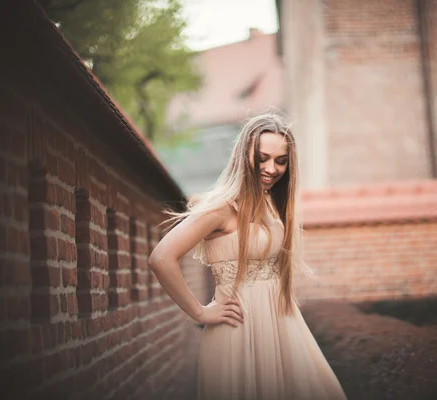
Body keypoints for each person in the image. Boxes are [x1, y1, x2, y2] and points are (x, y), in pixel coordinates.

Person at [148, 112, 347, 400]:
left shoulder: (272, 205)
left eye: (281, 161)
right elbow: (161, 257)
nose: (271, 168)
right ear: (244, 156)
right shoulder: (220, 208)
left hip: (282, 327)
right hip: (237, 330)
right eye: (263, 157)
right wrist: (200, 312)